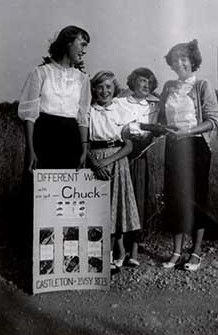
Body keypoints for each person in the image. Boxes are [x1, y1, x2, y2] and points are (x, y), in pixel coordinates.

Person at [149, 39, 218, 271]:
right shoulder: (169, 87)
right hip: (173, 147)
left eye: (184, 58)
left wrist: (187, 131)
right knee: (174, 199)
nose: (180, 63)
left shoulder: (202, 85)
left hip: (196, 147)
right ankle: (177, 252)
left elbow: (212, 121)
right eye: (176, 59)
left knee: (197, 198)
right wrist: (160, 129)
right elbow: (160, 118)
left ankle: (196, 252)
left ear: (193, 61)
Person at [18, 25, 91, 171]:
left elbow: (83, 117)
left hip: (71, 139)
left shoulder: (82, 79)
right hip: (44, 136)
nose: (84, 51)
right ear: (68, 42)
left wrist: (84, 151)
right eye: (82, 44)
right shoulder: (40, 73)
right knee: (41, 189)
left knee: (67, 188)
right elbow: (30, 116)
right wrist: (31, 150)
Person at [87, 71, 141, 269]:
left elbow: (128, 146)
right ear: (94, 89)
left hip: (117, 161)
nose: (104, 91)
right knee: (100, 209)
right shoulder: (89, 111)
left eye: (108, 87)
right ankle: (104, 253)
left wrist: (108, 161)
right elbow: (84, 143)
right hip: (95, 161)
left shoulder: (120, 110)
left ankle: (118, 251)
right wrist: (95, 163)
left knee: (116, 207)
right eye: (100, 87)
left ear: (114, 89)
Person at [116, 68, 159, 234]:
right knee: (121, 194)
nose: (146, 85)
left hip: (141, 154)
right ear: (133, 82)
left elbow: (151, 132)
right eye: (142, 80)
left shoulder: (154, 105)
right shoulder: (119, 102)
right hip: (120, 153)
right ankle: (119, 239)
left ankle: (136, 238)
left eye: (149, 82)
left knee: (139, 194)